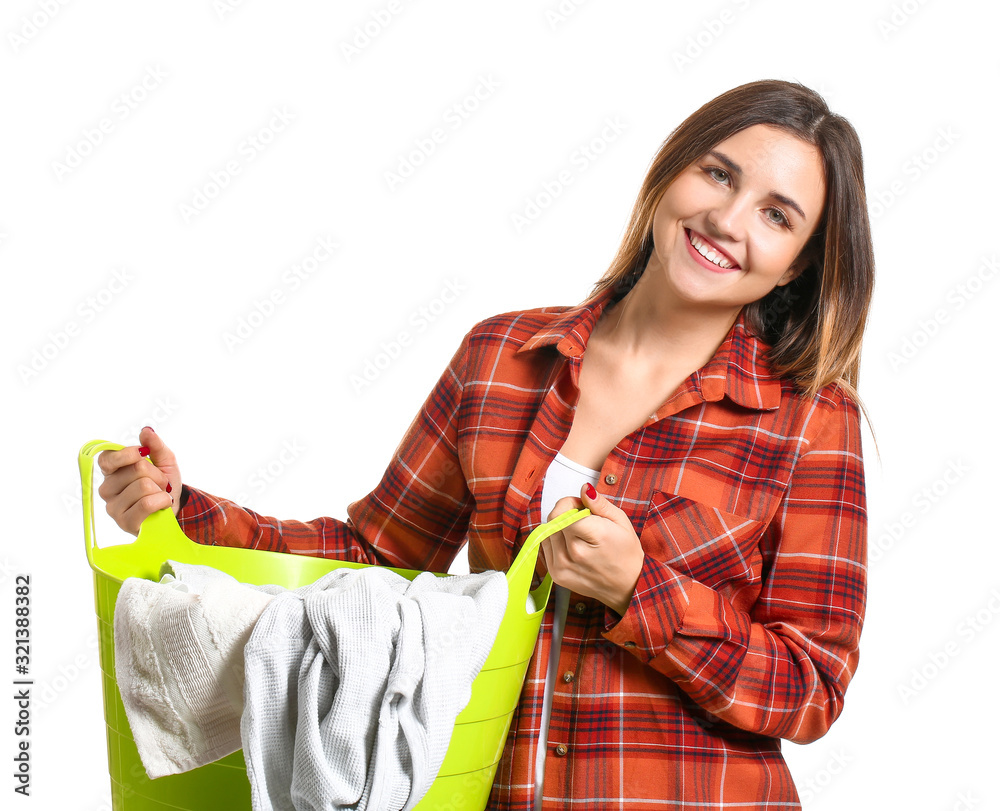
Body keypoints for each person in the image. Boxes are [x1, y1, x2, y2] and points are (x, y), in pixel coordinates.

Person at [98, 78, 873, 810]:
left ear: (796, 264)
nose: (729, 220)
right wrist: (185, 511)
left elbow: (813, 688)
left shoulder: (811, 420)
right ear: (671, 172)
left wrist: (641, 589)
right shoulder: (501, 356)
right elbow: (377, 555)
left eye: (778, 215)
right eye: (718, 174)